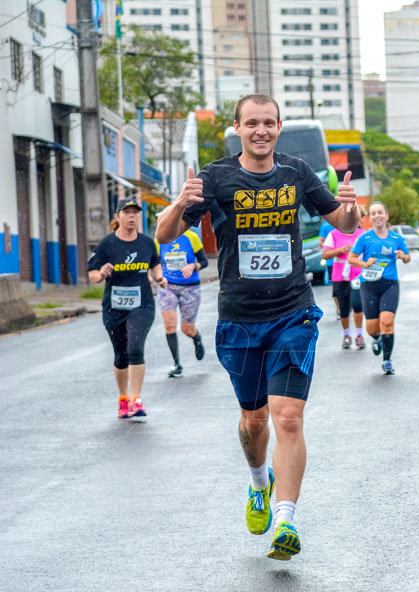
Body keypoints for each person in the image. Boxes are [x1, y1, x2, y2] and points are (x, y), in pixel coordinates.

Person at [155, 93, 360, 561]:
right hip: (240, 320)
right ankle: (258, 484)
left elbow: (340, 222)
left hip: (293, 312)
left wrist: (349, 209)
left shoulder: (298, 173)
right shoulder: (215, 177)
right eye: (252, 123)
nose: (261, 130)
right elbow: (165, 235)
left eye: (269, 122)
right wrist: (178, 204)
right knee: (254, 420)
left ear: (280, 127)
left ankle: (285, 520)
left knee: (288, 416)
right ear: (238, 128)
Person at [88, 198, 167, 421]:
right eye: (127, 212)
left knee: (135, 346)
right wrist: (102, 273)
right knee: (120, 354)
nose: (132, 216)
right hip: (114, 307)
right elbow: (92, 274)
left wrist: (159, 278)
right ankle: (123, 399)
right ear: (117, 217)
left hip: (142, 305)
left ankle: (137, 400)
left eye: (135, 213)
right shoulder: (107, 244)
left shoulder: (146, 243)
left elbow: (155, 264)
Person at [347, 200, 410, 374]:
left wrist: (403, 255)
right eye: (373, 213)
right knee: (372, 328)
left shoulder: (396, 238)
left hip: (390, 284)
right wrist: (364, 263)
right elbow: (351, 258)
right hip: (368, 286)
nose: (377, 216)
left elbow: (407, 257)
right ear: (370, 218)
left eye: (380, 212)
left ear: (386, 215)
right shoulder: (365, 238)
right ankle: (378, 338)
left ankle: (387, 360)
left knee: (387, 322)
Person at [157, 225, 208, 377]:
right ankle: (177, 364)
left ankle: (196, 338)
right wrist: (155, 275)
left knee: (187, 329)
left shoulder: (191, 237)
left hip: (190, 287)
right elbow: (155, 263)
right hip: (168, 286)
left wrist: (193, 266)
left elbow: (204, 262)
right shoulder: (159, 239)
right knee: (170, 326)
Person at [321, 217, 367, 349]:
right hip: (340, 276)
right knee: (344, 308)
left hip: (357, 275)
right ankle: (346, 335)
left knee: (358, 304)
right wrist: (340, 250)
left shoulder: (362, 234)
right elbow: (325, 254)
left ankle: (359, 335)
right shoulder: (333, 234)